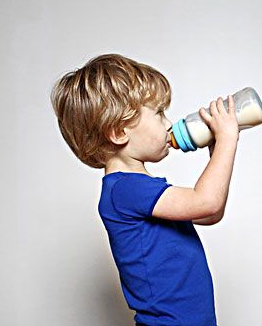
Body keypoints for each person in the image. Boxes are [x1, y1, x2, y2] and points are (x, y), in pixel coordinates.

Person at [51, 53, 239, 326]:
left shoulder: (139, 189)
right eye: (159, 113)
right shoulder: (126, 190)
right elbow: (206, 202)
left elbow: (210, 213)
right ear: (119, 131)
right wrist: (227, 140)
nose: (168, 123)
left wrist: (217, 154)